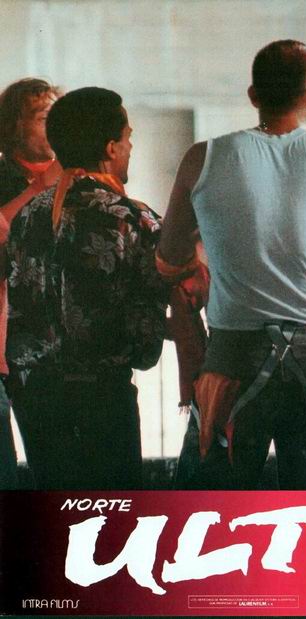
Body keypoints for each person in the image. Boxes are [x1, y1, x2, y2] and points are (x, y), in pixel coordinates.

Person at [157, 40, 306, 490]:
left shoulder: (202, 159)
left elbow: (168, 256)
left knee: (213, 504)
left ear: (253, 96)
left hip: (232, 354)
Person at [2, 87, 167, 490]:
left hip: (37, 394)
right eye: (127, 138)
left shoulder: (27, 216)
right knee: (111, 515)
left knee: (54, 510)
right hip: (103, 395)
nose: (130, 148)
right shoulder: (133, 218)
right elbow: (149, 324)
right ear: (110, 148)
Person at [0, 78, 62, 489]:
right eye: (42, 117)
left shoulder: (75, 175)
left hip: (62, 345)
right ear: (14, 126)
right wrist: (41, 186)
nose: (53, 126)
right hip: (14, 343)